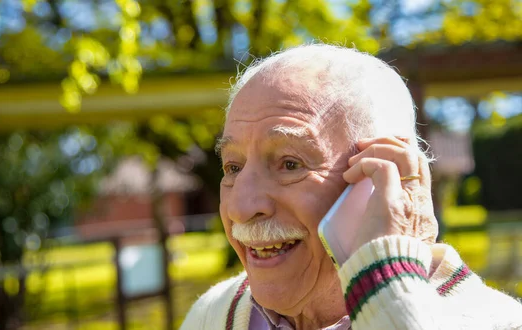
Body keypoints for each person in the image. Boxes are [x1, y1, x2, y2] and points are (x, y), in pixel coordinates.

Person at [180, 43, 522, 330]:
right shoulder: (211, 315)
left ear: (382, 181)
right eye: (233, 167)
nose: (240, 208)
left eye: (289, 164)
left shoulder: (496, 322)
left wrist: (389, 292)